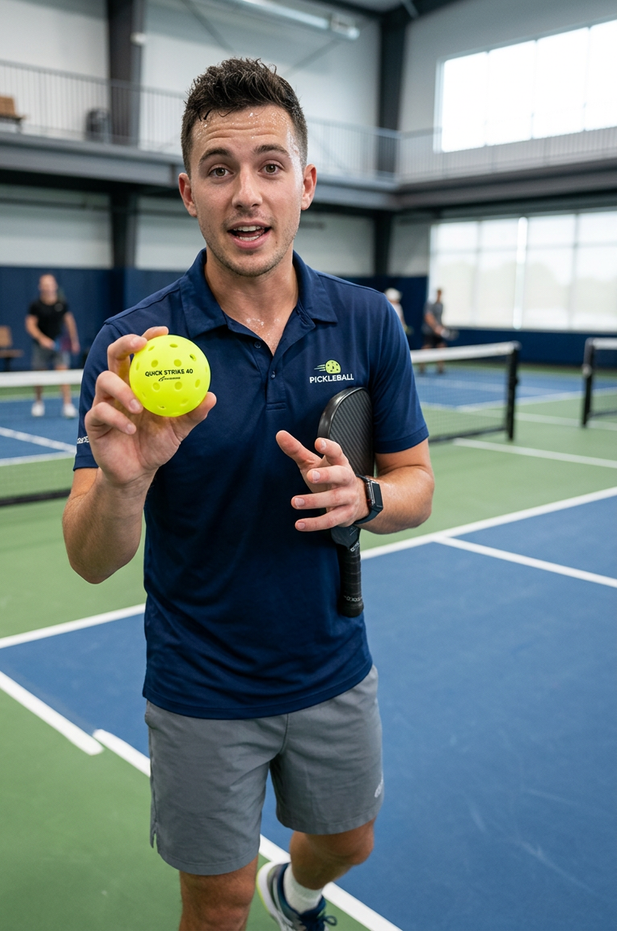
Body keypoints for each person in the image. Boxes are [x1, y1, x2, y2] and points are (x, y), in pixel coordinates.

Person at [63, 59, 434, 931]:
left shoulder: (368, 322)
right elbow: (89, 559)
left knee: (347, 841)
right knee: (217, 903)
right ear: (188, 192)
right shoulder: (132, 345)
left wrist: (366, 499)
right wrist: (125, 479)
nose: (247, 194)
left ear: (305, 183)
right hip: (200, 681)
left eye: (270, 166)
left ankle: (295, 893)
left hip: (332, 662)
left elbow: (417, 484)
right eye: (220, 169)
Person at [25, 273, 80, 417]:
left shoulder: (62, 304)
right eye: (45, 285)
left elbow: (69, 321)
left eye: (50, 284)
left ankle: (67, 405)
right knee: (39, 376)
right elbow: (30, 325)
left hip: (58, 345)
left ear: (55, 286)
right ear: (40, 287)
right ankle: (38, 403)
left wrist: (74, 341)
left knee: (63, 375)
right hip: (40, 346)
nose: (48, 287)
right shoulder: (35, 306)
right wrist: (42, 339)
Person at [421, 287, 446, 373]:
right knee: (427, 347)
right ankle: (422, 366)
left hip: (438, 331)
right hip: (429, 330)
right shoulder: (430, 304)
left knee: (441, 346)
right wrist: (435, 327)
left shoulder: (441, 305)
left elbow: (440, 318)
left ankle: (440, 367)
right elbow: (428, 317)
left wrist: (441, 327)